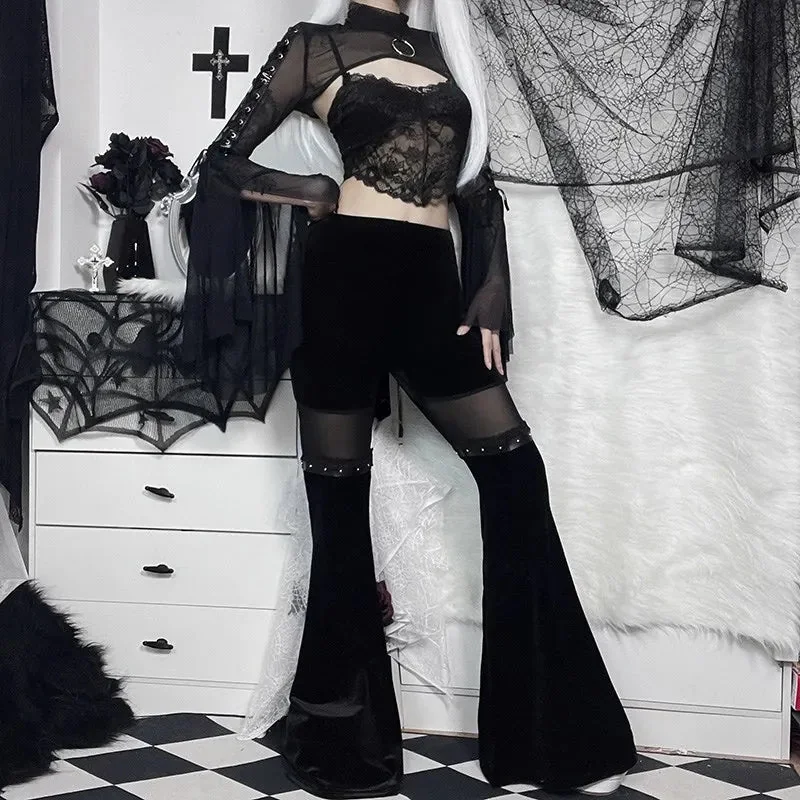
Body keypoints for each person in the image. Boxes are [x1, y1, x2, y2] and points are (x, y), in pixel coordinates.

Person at [185, 0, 639, 796]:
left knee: (515, 472)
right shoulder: (315, 46)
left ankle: (546, 740)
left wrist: (490, 290)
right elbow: (220, 163)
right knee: (339, 506)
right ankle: (344, 749)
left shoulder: (443, 51)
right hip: (342, 280)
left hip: (431, 286)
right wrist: (310, 188)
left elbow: (477, 187)